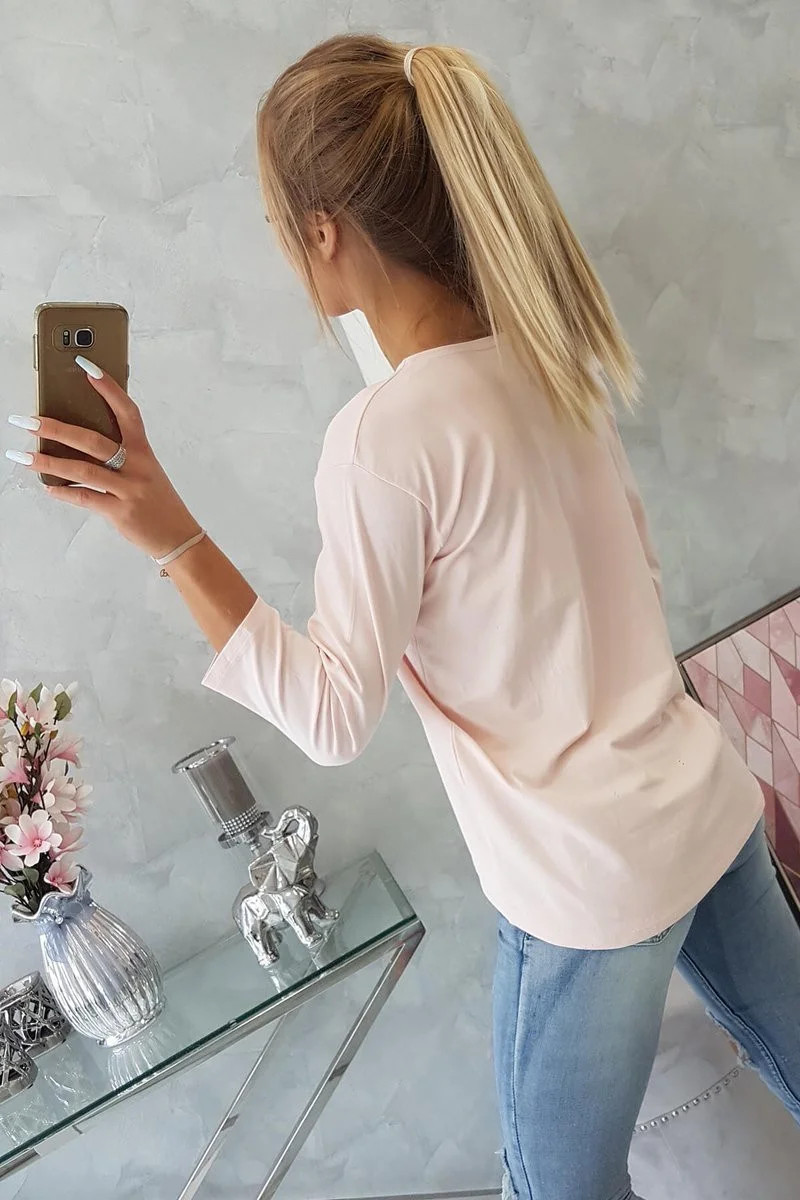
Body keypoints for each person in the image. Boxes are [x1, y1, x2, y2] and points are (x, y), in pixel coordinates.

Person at [6, 33, 800, 1200]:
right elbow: (632, 572)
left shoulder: (385, 438)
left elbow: (331, 717)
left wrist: (170, 534)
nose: (285, 256)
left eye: (280, 227)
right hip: (702, 803)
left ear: (325, 229)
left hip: (589, 883)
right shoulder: (542, 357)